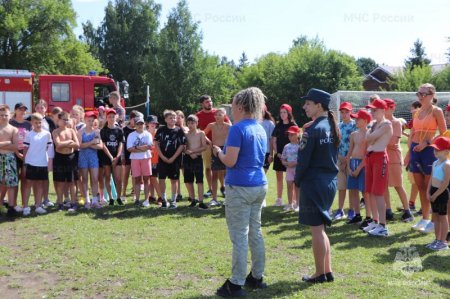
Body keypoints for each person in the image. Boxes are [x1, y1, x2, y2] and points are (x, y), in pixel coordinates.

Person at [213, 87, 268, 297]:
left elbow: (231, 160)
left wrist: (219, 152)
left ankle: (236, 284)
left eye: (233, 104)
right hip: (258, 185)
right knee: (255, 231)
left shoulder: (237, 129)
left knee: (239, 236)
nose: (231, 109)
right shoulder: (260, 128)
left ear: (241, 107)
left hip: (240, 187)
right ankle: (257, 276)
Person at [295, 88, 339, 284]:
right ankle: (326, 271)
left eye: (308, 103)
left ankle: (319, 273)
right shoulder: (331, 125)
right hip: (329, 182)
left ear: (319, 105)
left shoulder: (312, 130)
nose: (304, 106)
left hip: (313, 183)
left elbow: (303, 161)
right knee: (321, 229)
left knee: (316, 230)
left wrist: (297, 181)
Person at [408, 83, 446, 233]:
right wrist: (409, 152)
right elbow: (412, 133)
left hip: (430, 151)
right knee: (420, 187)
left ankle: (434, 220)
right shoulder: (417, 112)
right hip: (415, 150)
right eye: (419, 93)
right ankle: (424, 218)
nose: (420, 96)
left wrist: (427, 143)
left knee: (430, 186)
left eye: (423, 94)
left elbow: (444, 133)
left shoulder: (437, 111)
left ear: (431, 95)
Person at [363, 99, 393, 237]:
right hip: (370, 157)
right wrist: (370, 134)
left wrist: (370, 134)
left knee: (378, 192)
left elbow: (369, 137)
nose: (372, 112)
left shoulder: (386, 124)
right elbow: (368, 137)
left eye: (375, 110)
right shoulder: (375, 124)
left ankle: (383, 225)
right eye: (372, 110)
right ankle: (376, 221)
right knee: (370, 191)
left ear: (383, 110)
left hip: (380, 158)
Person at [383, 98, 414, 222]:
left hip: (394, 159)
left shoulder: (396, 123)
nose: (384, 110)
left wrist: (378, 142)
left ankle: (407, 211)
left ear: (392, 108)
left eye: (387, 107)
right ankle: (388, 211)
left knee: (398, 185)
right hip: (383, 158)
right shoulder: (381, 123)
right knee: (384, 185)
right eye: (383, 108)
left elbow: (392, 142)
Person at [196, 95, 230, 198]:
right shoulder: (198, 115)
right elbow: (198, 131)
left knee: (221, 168)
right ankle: (210, 189)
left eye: (210, 101)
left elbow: (230, 125)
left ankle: (223, 187)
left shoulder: (218, 112)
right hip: (206, 145)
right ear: (202, 104)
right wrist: (208, 141)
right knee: (208, 168)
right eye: (206, 102)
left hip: (221, 146)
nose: (209, 103)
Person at [154, 110, 186, 209]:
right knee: (162, 179)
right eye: (170, 118)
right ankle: (163, 199)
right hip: (162, 159)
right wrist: (163, 157)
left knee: (174, 180)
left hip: (175, 159)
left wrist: (173, 158)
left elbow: (182, 145)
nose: (173, 119)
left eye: (174, 118)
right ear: (165, 119)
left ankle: (173, 200)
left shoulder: (179, 130)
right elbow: (156, 144)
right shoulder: (161, 130)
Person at [23, 113, 53, 215]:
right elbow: (26, 149)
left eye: (40, 122)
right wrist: (24, 162)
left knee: (40, 184)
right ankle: (26, 207)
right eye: (36, 122)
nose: (38, 124)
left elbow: (49, 148)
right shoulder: (29, 134)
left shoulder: (47, 134)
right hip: (31, 162)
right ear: (32, 123)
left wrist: (48, 161)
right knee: (28, 184)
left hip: (42, 163)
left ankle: (38, 206)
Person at [425, 137, 450, 250]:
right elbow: (431, 178)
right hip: (433, 192)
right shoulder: (435, 163)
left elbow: (446, 183)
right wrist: (428, 192)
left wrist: (436, 195)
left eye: (438, 150)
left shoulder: (447, 165)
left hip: (442, 193)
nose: (435, 151)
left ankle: (443, 242)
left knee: (442, 217)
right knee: (435, 216)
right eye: (434, 149)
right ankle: (437, 239)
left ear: (446, 152)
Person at [347, 109, 370, 226]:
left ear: (365, 121)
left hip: (363, 165)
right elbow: (349, 152)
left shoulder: (369, 134)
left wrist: (359, 168)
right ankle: (357, 215)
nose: (356, 120)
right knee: (353, 191)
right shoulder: (353, 134)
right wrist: (348, 166)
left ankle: (368, 217)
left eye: (358, 118)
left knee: (365, 191)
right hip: (353, 163)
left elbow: (367, 155)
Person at [52, 111, 80, 212]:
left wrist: (67, 144)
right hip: (59, 158)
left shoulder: (71, 131)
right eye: (64, 119)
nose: (66, 121)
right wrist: (69, 142)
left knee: (72, 182)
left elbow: (77, 145)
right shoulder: (55, 132)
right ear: (58, 120)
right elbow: (58, 145)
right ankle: (60, 203)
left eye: (67, 119)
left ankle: (73, 202)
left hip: (71, 158)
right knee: (60, 182)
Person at [334, 102, 356, 220]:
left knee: (352, 187)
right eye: (342, 112)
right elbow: (336, 143)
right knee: (341, 187)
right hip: (340, 159)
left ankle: (352, 210)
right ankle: (340, 210)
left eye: (346, 112)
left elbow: (356, 144)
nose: (344, 114)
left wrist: (347, 159)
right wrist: (340, 158)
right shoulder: (338, 126)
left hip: (351, 160)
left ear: (351, 112)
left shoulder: (354, 125)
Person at [8, 102, 32, 215]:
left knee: (25, 178)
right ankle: (14, 204)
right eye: (20, 109)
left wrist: (26, 154)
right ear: (15, 110)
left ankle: (24, 204)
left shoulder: (28, 124)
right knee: (14, 179)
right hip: (13, 152)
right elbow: (10, 139)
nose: (22, 112)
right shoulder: (11, 123)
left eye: (24, 110)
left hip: (26, 153)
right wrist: (17, 152)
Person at [204, 108, 231, 206]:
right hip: (215, 150)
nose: (218, 116)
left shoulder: (229, 126)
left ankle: (228, 198)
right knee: (214, 174)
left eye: (220, 114)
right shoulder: (211, 125)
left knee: (227, 174)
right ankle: (214, 199)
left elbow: (233, 137)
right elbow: (203, 133)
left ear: (225, 116)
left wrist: (228, 147)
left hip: (225, 150)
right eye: (217, 114)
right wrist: (210, 142)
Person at [272, 104, 296, 207]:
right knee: (279, 178)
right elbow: (274, 140)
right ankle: (279, 199)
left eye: (284, 112)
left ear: (289, 113)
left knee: (292, 179)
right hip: (279, 155)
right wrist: (277, 152)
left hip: (291, 157)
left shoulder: (293, 125)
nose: (282, 114)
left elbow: (297, 141)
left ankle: (294, 200)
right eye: (281, 112)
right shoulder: (278, 125)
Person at [77, 111, 102, 209]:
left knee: (95, 178)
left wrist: (88, 145)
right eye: (89, 120)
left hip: (93, 157)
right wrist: (92, 143)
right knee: (85, 179)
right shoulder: (80, 131)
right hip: (83, 157)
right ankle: (87, 200)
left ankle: (95, 200)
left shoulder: (97, 131)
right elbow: (79, 145)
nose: (91, 122)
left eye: (92, 120)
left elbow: (100, 146)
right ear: (85, 120)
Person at [99, 109, 124, 205]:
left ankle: (118, 197)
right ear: (106, 118)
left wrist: (117, 157)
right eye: (109, 116)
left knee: (118, 179)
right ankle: (110, 198)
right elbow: (103, 145)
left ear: (116, 117)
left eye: (113, 116)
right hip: (106, 157)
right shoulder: (103, 131)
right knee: (108, 178)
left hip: (117, 158)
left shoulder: (119, 130)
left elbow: (121, 144)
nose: (111, 118)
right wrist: (110, 157)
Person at [127, 116, 153, 206]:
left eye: (141, 123)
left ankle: (146, 200)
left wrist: (136, 148)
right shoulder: (131, 135)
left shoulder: (148, 134)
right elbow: (129, 148)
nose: (140, 125)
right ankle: (137, 200)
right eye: (138, 124)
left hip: (146, 158)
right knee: (137, 179)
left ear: (144, 124)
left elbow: (149, 146)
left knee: (146, 179)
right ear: (135, 125)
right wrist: (141, 148)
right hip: (135, 159)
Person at [184, 115, 208, 210]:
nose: (190, 125)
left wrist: (194, 152)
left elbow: (204, 146)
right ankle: (193, 200)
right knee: (188, 180)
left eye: (192, 123)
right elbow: (183, 148)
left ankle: (201, 201)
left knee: (199, 180)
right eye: (189, 123)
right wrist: (188, 153)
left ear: (196, 123)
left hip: (197, 158)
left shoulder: (201, 133)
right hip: (188, 158)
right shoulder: (186, 134)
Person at [0, 105, 19, 217]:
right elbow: (11, 144)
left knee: (11, 183)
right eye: (1, 115)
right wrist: (7, 143)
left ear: (10, 115)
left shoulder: (13, 129)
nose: (3, 117)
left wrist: (3, 145)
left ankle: (11, 208)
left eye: (6, 115)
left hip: (10, 158)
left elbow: (15, 146)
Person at [120, 110, 141, 203]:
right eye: (134, 120)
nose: (136, 122)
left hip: (136, 156)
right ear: (130, 119)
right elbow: (122, 145)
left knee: (135, 176)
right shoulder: (124, 130)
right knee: (125, 176)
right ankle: (123, 194)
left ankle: (134, 194)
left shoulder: (138, 129)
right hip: (127, 155)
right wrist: (122, 156)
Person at [144, 115, 164, 206]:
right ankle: (152, 196)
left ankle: (161, 197)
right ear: (147, 124)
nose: (153, 124)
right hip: (147, 159)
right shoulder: (144, 134)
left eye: (154, 123)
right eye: (151, 122)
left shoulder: (159, 133)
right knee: (150, 178)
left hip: (157, 159)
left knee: (154, 178)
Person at [281, 125, 301, 212]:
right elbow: (283, 158)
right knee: (289, 186)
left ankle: (298, 204)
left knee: (297, 187)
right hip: (289, 170)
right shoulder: (286, 146)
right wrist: (286, 163)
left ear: (297, 134)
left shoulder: (301, 146)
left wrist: (295, 163)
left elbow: (303, 159)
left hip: (298, 170)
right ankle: (290, 204)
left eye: (292, 134)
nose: (290, 136)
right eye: (289, 135)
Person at [175, 110, 189, 201]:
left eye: (179, 117)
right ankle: (178, 193)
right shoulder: (173, 129)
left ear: (183, 118)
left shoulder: (187, 128)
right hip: (176, 153)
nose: (178, 119)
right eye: (176, 117)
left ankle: (190, 194)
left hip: (186, 154)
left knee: (186, 174)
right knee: (176, 175)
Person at [261, 106, 275, 174]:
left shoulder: (270, 123)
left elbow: (271, 140)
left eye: (262, 110)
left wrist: (271, 155)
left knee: (263, 173)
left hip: (266, 152)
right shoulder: (254, 122)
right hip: (256, 152)